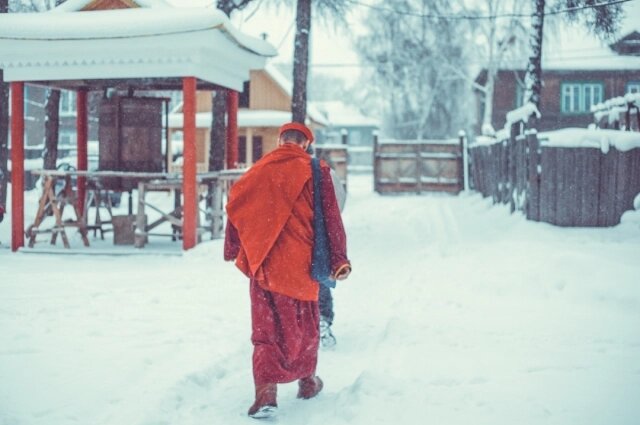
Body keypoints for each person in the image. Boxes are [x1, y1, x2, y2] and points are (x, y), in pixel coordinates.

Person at [224, 122, 351, 419]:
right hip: (301, 265)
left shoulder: (256, 171)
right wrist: (338, 259)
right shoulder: (316, 171)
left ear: (281, 140)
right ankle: (307, 382)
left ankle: (265, 393)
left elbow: (235, 205)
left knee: (265, 331)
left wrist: (233, 247)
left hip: (264, 263)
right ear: (306, 144)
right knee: (305, 327)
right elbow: (332, 218)